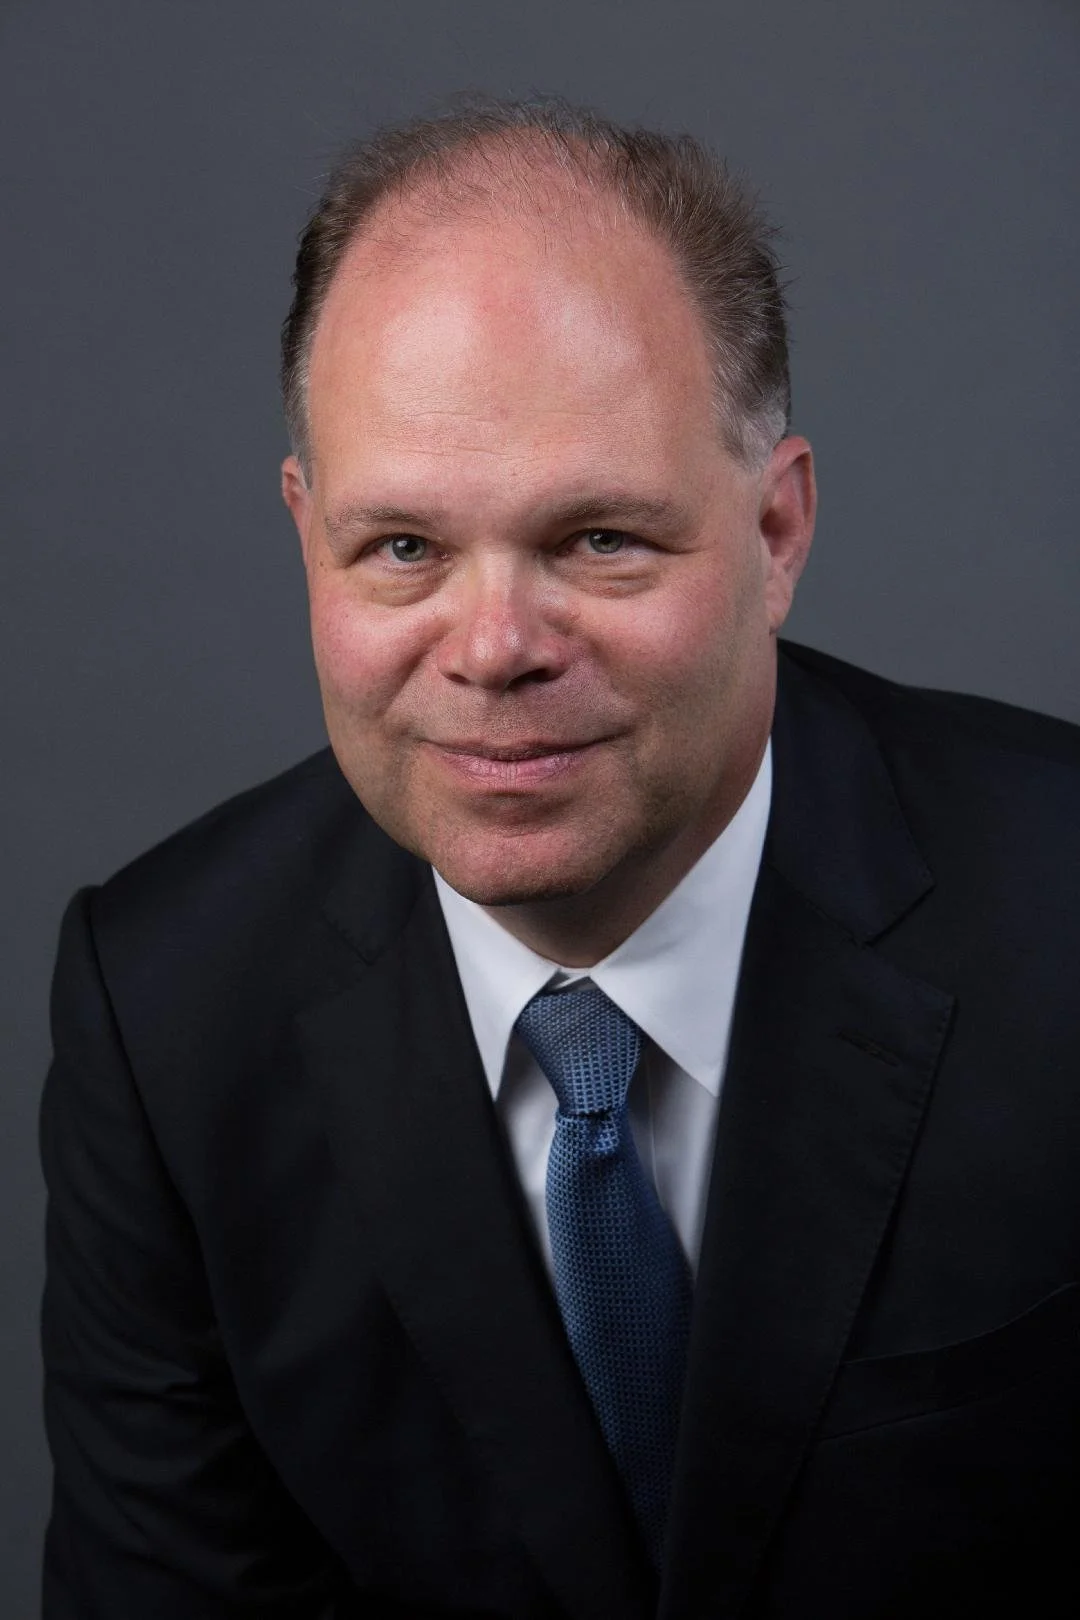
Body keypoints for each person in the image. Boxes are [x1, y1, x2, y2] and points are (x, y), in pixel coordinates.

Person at [40, 99, 1080, 1620]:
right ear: (308, 536)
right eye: (403, 548)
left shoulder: (1058, 911)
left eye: (599, 539)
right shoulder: (166, 1013)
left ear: (777, 531)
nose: (494, 649)